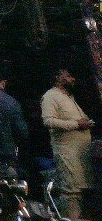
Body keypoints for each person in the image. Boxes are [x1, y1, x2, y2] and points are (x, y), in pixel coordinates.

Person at [41, 68, 95, 220]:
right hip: (67, 154)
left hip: (81, 155)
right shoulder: (50, 96)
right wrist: (76, 124)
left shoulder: (69, 97)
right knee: (71, 192)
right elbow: (48, 121)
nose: (73, 79)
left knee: (82, 192)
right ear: (58, 78)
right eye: (69, 76)